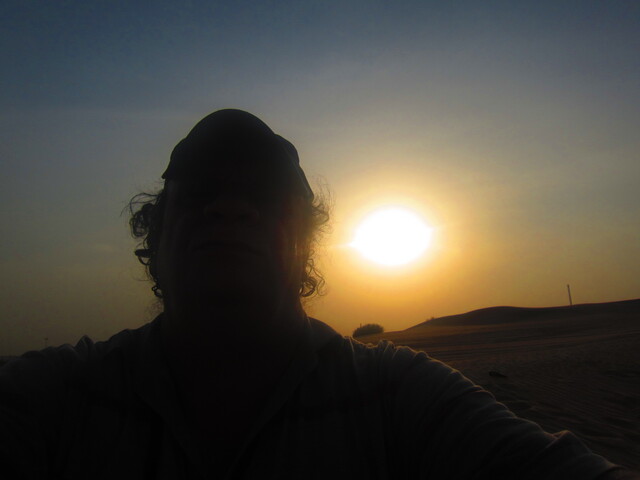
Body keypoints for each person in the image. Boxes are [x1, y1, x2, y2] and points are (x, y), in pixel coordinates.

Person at [0, 109, 636, 479]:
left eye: (263, 199)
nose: (229, 209)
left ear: (306, 245)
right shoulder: (56, 396)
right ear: (155, 233)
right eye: (201, 194)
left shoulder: (400, 397)